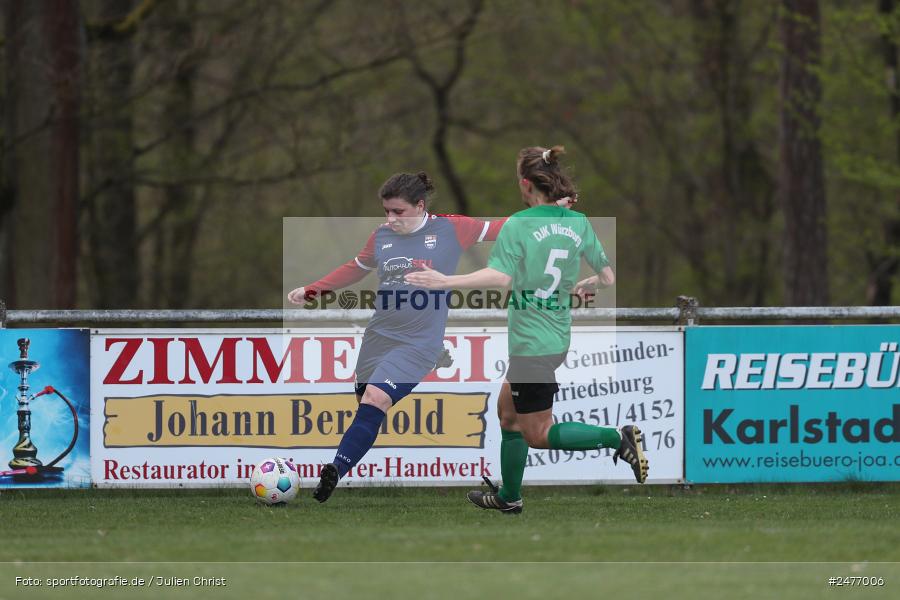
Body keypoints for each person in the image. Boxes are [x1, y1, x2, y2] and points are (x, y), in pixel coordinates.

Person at [406, 146, 648, 514]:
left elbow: (500, 277)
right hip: (553, 337)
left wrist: (444, 281)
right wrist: (583, 285)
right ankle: (509, 497)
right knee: (507, 414)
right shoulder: (577, 222)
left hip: (533, 343)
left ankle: (619, 438)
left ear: (525, 183)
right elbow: (608, 277)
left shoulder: (520, 223)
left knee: (539, 433)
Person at [287, 172, 512, 503]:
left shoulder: (451, 228)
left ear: (420, 206)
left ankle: (334, 471)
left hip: (418, 341)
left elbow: (506, 227)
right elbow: (356, 267)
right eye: (386, 212)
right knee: (367, 402)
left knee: (375, 399)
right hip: (379, 335)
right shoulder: (381, 236)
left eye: (398, 212)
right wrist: (313, 289)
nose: (390, 219)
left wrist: (549, 211)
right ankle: (339, 467)